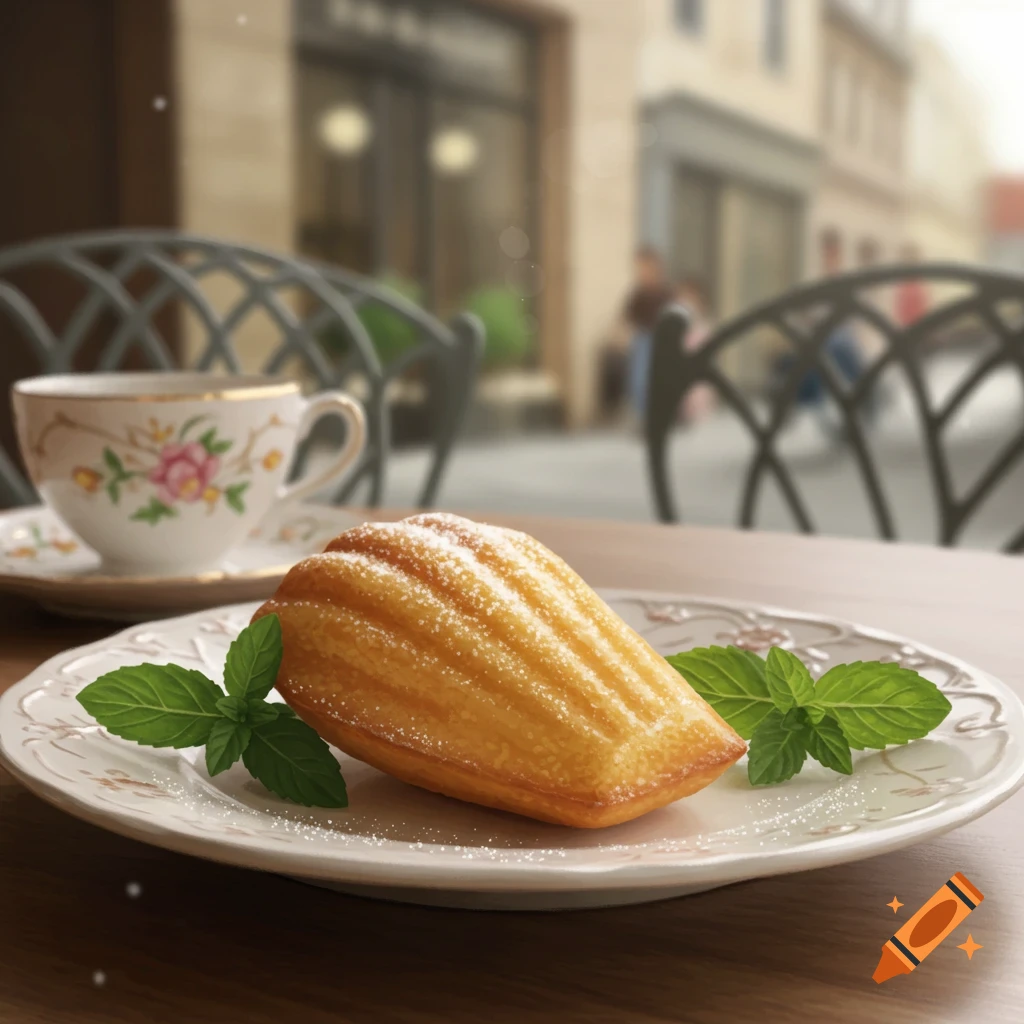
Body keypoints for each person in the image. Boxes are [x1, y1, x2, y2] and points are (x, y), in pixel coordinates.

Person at [622, 247, 674, 417]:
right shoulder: (639, 294)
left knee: (658, 378)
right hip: (643, 338)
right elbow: (627, 316)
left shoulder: (665, 293)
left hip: (661, 340)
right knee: (639, 378)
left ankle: (659, 413)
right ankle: (643, 414)